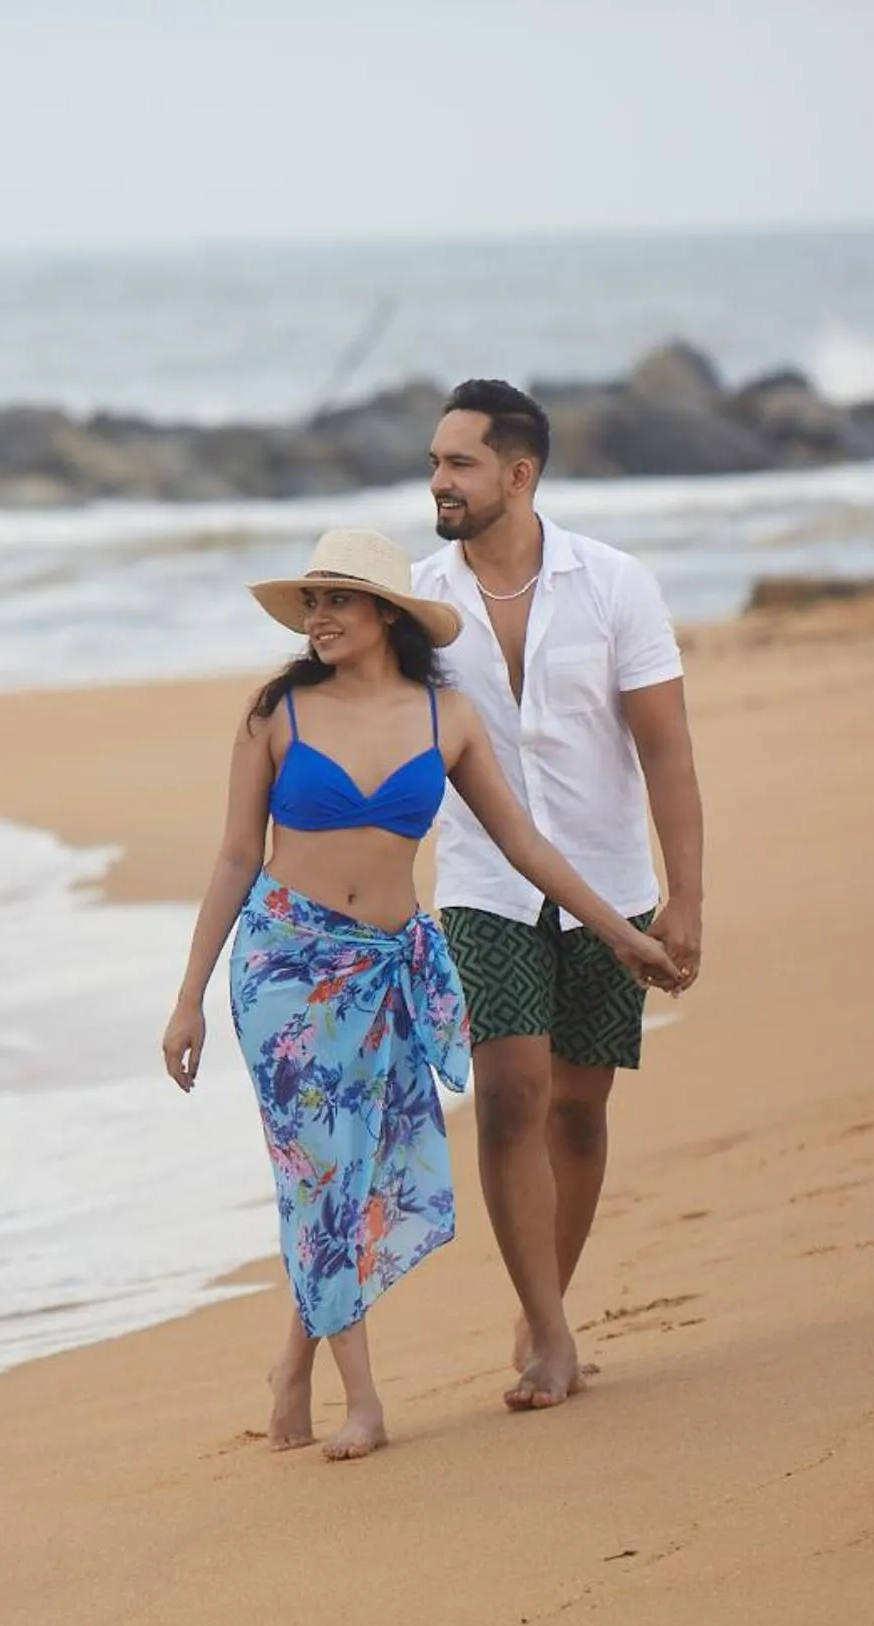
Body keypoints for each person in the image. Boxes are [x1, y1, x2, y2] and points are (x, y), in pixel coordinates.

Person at [161, 528, 682, 1459]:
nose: (318, 618)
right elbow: (237, 854)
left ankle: (293, 1364)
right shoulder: (276, 712)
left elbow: (524, 844)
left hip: (390, 967)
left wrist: (620, 932)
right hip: (285, 966)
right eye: (311, 602)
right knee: (321, 1166)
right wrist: (189, 995)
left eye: (338, 601)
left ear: (387, 615)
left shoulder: (449, 717)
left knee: (352, 1168)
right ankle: (362, 1399)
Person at [410, 379, 707, 1413]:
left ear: (519, 472)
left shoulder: (614, 584)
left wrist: (684, 899)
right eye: (435, 462)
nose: (438, 480)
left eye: (459, 463)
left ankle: (548, 1301)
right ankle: (548, 1330)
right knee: (508, 1094)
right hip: (484, 884)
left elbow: (666, 751)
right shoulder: (417, 603)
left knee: (579, 1108)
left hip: (609, 888)